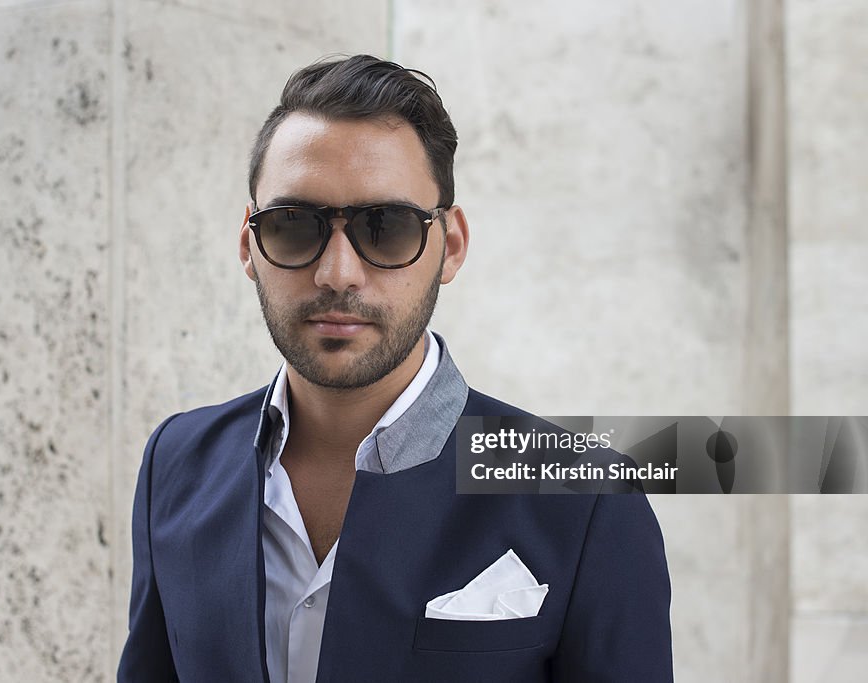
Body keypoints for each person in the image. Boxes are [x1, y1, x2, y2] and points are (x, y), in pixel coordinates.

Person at [118, 54, 673, 682]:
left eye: (386, 228)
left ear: (451, 246)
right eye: (295, 226)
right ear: (249, 243)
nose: (337, 274)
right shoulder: (177, 463)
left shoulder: (584, 495)